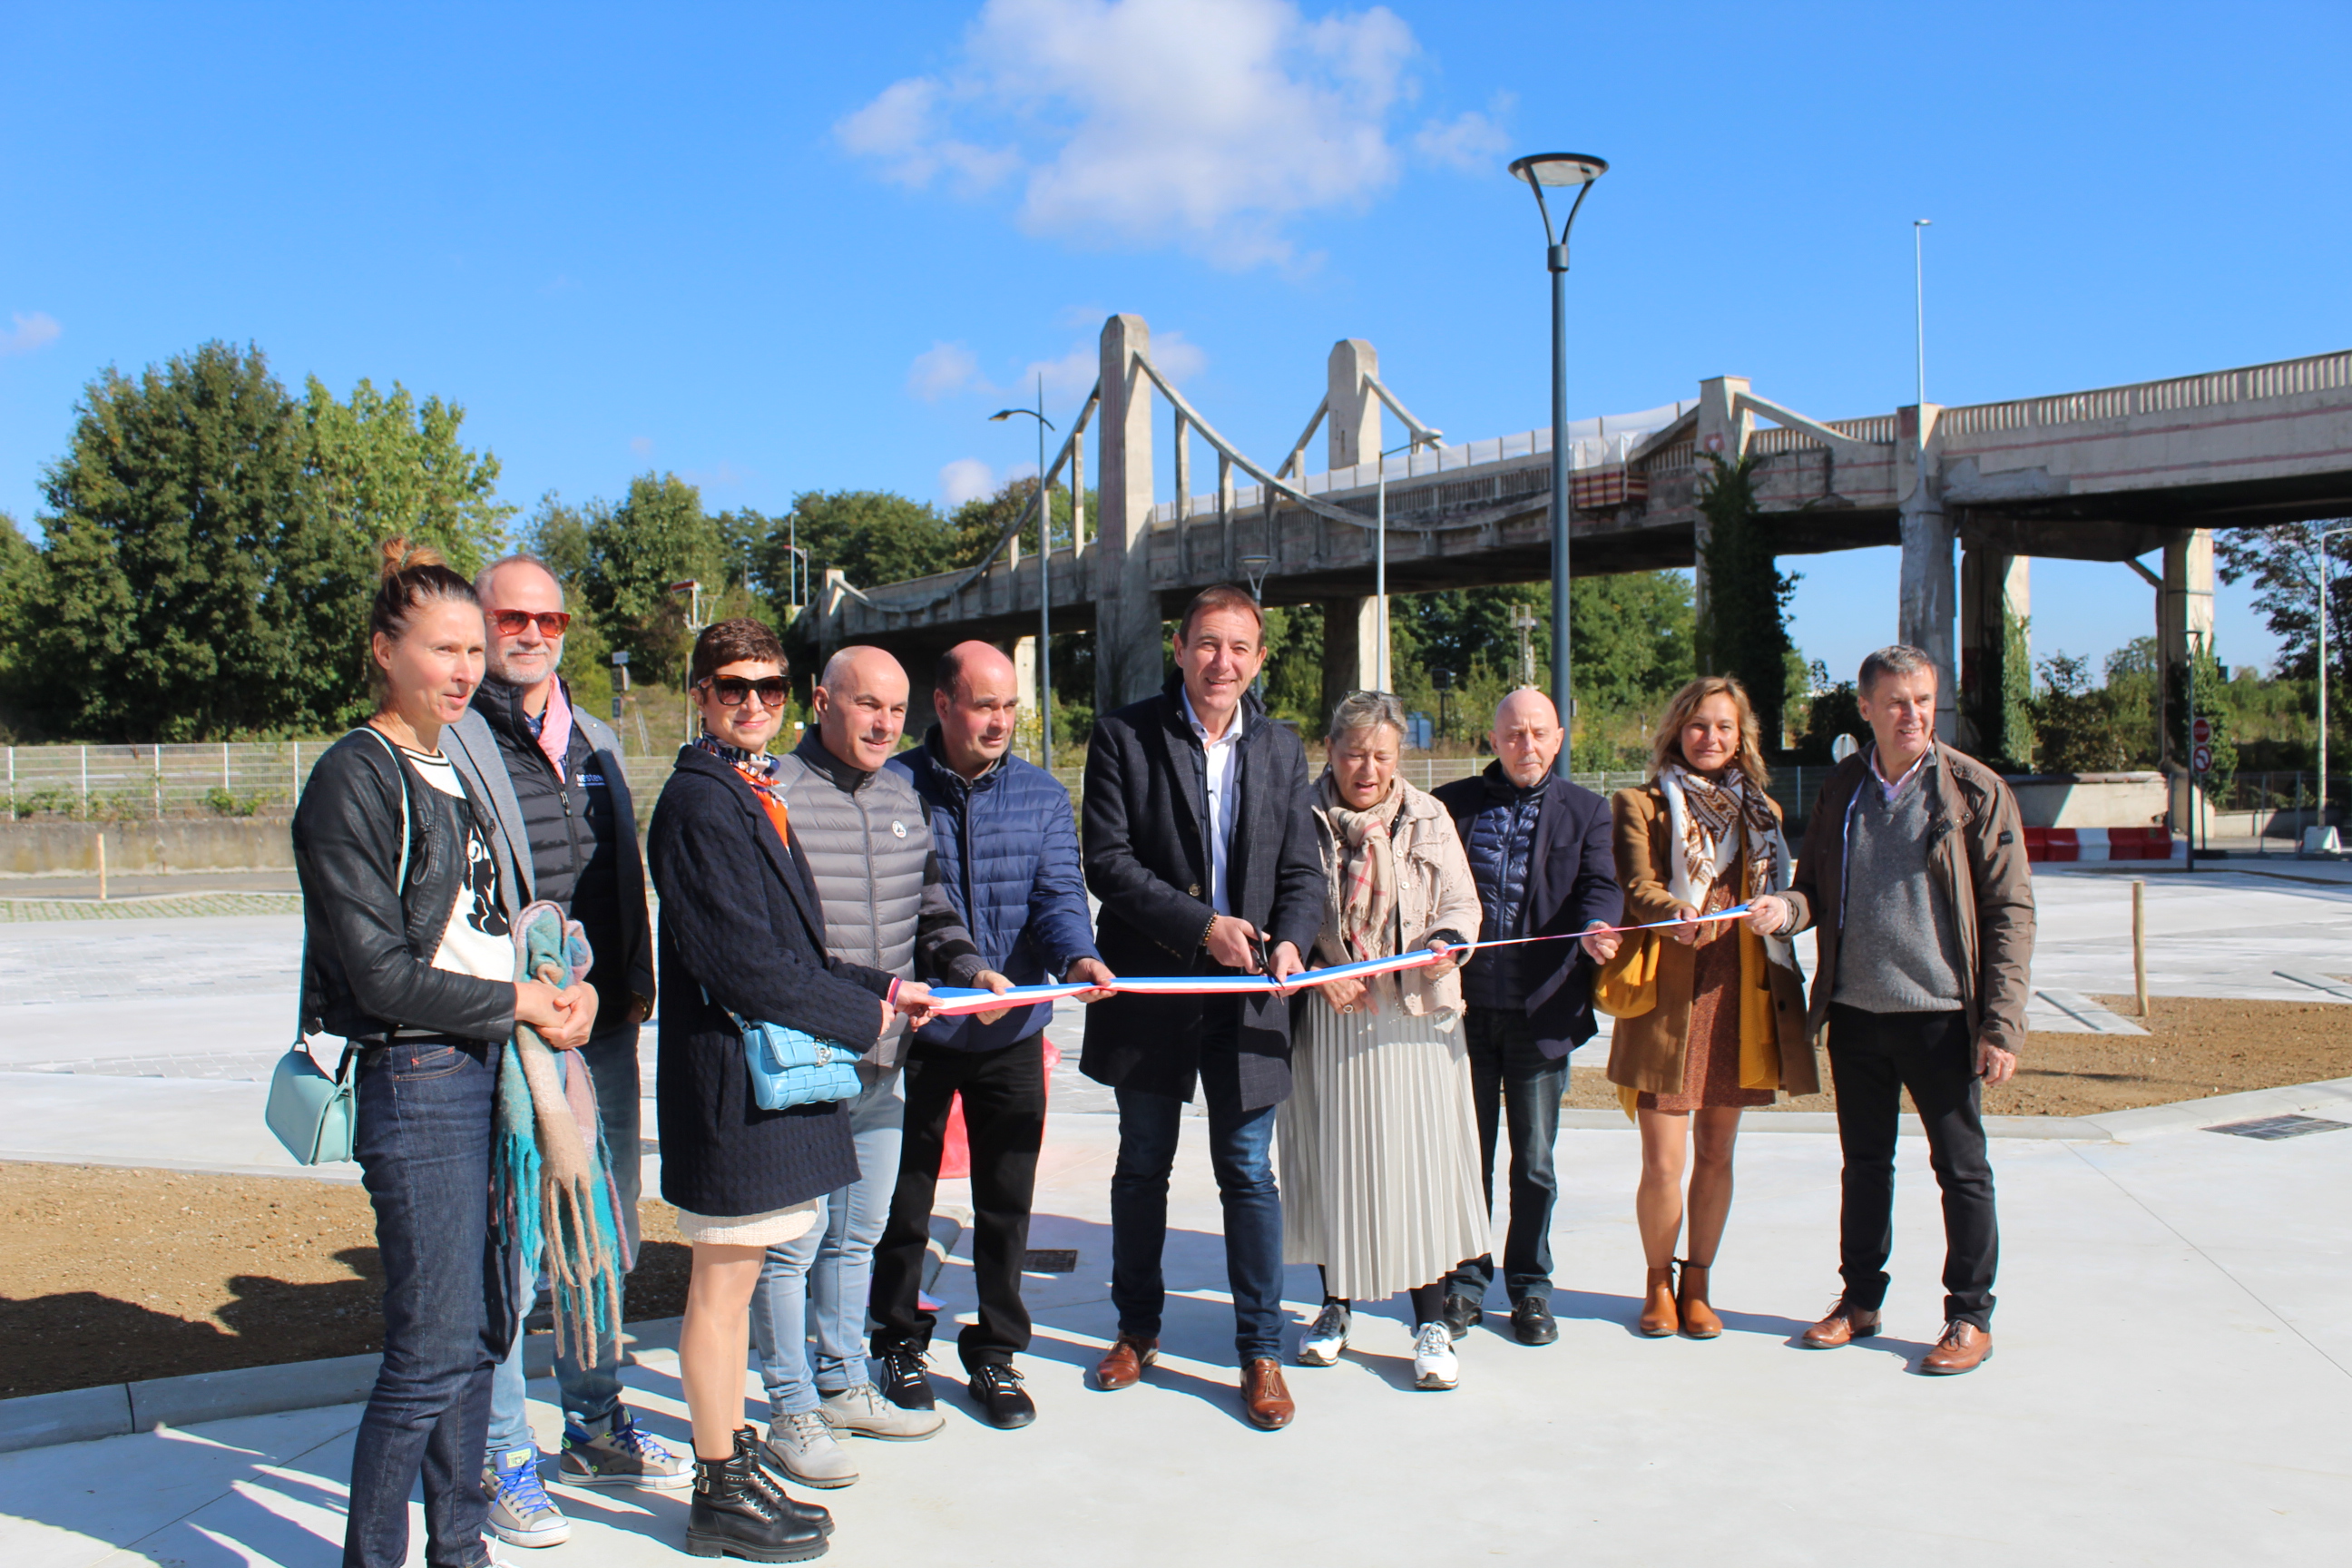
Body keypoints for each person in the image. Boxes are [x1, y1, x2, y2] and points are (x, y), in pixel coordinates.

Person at [293, 539, 597, 1568]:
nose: (466, 669)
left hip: (487, 1068)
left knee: (480, 1344)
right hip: (417, 1075)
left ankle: (458, 1551)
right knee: (427, 1352)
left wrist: (558, 992)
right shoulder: (354, 775)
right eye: (442, 650)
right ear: (384, 651)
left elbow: (488, 926)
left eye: (475, 649)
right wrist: (513, 997)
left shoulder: (453, 767)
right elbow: (377, 975)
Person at [648, 619, 936, 1561]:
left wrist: (883, 986)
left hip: (761, 1084)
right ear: (699, 693)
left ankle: (728, 1463)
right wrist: (869, 1019)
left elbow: (795, 954)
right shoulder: (700, 802)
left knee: (738, 1284)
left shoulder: (745, 789)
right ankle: (719, 1486)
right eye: (734, 687)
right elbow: (741, 966)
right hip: (730, 1090)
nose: (755, 704)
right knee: (722, 1291)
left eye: (770, 688)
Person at [439, 555, 682, 1549]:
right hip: (510, 1032)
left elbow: (624, 881)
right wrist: (531, 998)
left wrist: (622, 992)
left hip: (604, 1028)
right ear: (481, 623)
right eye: (512, 615)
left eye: (550, 617)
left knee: (598, 1237)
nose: (531, 632)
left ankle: (594, 1419)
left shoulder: (596, 739)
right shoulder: (453, 739)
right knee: (514, 1245)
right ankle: (505, 1452)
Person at [747, 645, 1009, 1485]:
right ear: (822, 701)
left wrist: (970, 972)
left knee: (859, 1231)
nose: (883, 724)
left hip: (886, 1062)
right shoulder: (773, 793)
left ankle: (843, 1380)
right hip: (804, 1061)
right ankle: (787, 1402)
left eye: (895, 711)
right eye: (866, 705)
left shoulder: (903, 795)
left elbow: (932, 910)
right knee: (794, 1241)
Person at [1749, 644, 2034, 1377]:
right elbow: (1812, 888)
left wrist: (2000, 1025)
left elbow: (2009, 913)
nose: (1914, 714)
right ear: (1867, 709)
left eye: (1925, 700)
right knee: (1865, 1167)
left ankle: (1969, 1315)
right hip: (1856, 1014)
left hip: (1942, 1016)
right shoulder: (1844, 787)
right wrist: (1786, 908)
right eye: (1898, 702)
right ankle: (1859, 1301)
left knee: (1961, 1169)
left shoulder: (1974, 790)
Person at [1080, 583, 1324, 1431]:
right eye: (1208, 645)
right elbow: (1107, 862)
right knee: (1143, 1162)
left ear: (1259, 659)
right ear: (1179, 649)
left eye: (1241, 648)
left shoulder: (1283, 748)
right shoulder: (1123, 735)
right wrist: (1203, 929)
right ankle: (1135, 1331)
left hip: (1251, 996)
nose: (1224, 662)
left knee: (1248, 1171)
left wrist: (1292, 939)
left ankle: (1258, 1347)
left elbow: (1303, 871)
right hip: (1156, 987)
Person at [873, 642, 1117, 1431]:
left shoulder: (1043, 796)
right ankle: (898, 1341)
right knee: (902, 1198)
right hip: (917, 1031)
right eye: (985, 705)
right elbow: (889, 910)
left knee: (1007, 1202)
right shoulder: (892, 788)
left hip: (1014, 1031)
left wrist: (1078, 953)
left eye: (1011, 708)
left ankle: (998, 1351)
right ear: (942, 705)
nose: (1000, 722)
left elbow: (1056, 897)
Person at [1583, 676, 1814, 1339]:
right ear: (1675, 732)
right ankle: (1657, 1282)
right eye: (1697, 725)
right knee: (1663, 1162)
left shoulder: (1761, 809)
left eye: (1723, 727)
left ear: (1742, 737)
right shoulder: (1642, 803)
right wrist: (1670, 912)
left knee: (1717, 1154)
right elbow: (1637, 882)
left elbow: (1784, 890)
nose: (1710, 738)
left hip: (1739, 994)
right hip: (1667, 1001)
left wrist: (1779, 907)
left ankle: (1700, 1282)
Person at [1282, 691, 1485, 1391]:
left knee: (1417, 1172)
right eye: (1353, 752)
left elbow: (1462, 903)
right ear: (1329, 750)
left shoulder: (1429, 816)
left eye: (1381, 754)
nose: (1366, 767)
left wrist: (1447, 943)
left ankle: (1429, 1321)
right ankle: (1334, 1307)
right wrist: (1315, 971)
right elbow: (1282, 907)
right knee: (1333, 1164)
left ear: (1399, 757)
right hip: (1331, 1021)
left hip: (1413, 1022)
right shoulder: (1296, 817)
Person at [1430, 690, 1622, 1346]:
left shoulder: (1590, 811)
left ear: (1560, 736)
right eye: (1514, 734)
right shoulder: (1452, 805)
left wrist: (1600, 925)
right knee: (1466, 1159)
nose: (1527, 746)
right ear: (1494, 736)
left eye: (1539, 733)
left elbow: (1602, 884)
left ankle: (1531, 1287)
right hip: (1463, 1013)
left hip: (1543, 1014)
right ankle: (1464, 1281)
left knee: (1534, 1163)